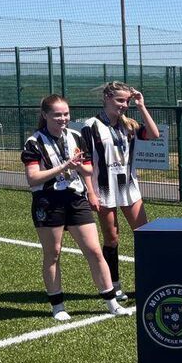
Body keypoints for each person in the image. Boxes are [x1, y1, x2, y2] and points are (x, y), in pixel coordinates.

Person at [23, 95, 127, 320]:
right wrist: (64, 166)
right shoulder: (34, 142)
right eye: (57, 115)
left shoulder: (76, 136)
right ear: (45, 115)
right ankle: (58, 306)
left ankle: (111, 302)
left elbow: (88, 169)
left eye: (66, 114)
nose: (63, 118)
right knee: (53, 253)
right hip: (48, 201)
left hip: (75, 198)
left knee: (94, 250)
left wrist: (79, 167)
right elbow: (32, 178)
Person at [81, 81, 160, 300]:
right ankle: (113, 285)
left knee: (144, 234)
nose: (124, 105)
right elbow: (86, 161)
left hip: (128, 186)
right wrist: (90, 192)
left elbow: (154, 134)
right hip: (104, 187)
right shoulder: (91, 125)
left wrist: (141, 106)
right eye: (119, 100)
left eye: (126, 101)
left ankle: (148, 281)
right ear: (106, 98)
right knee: (112, 238)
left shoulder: (129, 124)